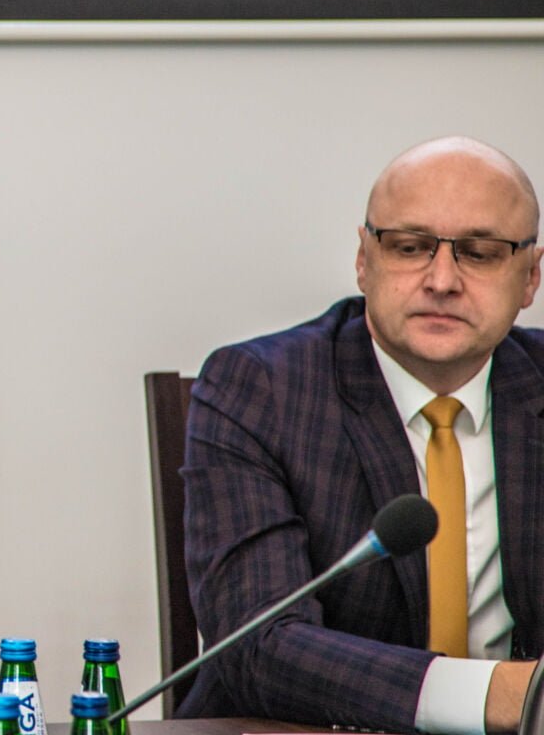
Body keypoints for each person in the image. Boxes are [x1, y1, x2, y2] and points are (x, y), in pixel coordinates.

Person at [180, 136, 544, 734]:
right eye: (410, 247)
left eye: (480, 253)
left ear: (530, 277)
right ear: (363, 260)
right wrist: (512, 696)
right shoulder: (259, 390)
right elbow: (257, 644)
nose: (442, 280)